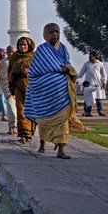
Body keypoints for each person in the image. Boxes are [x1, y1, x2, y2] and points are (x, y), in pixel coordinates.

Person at [24, 23, 85, 159]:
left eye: (56, 31)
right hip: (44, 93)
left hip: (61, 94)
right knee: (44, 120)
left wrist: (67, 69)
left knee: (62, 121)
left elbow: (67, 65)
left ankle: (61, 149)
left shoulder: (62, 49)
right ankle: (42, 143)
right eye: (51, 32)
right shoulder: (41, 50)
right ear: (46, 34)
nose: (54, 34)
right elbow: (34, 72)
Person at [9, 37, 36, 143]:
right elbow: (10, 72)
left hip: (32, 87)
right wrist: (20, 69)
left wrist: (30, 71)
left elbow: (40, 70)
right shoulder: (14, 57)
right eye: (21, 45)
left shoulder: (34, 57)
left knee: (31, 110)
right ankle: (22, 134)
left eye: (25, 45)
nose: (23, 47)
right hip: (18, 86)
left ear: (29, 46)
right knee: (20, 111)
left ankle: (29, 133)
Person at [78, 51, 108, 116]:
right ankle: (87, 112)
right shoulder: (86, 64)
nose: (89, 57)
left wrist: (104, 82)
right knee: (88, 99)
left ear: (95, 57)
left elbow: (104, 74)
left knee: (98, 98)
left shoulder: (100, 64)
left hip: (98, 85)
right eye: (89, 56)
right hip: (89, 85)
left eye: (91, 56)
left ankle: (100, 111)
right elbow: (81, 73)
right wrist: (74, 77)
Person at [0, 45, 18, 135]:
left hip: (18, 88)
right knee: (11, 107)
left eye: (12, 52)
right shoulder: (3, 62)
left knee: (17, 109)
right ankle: (12, 126)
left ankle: (14, 127)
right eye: (9, 52)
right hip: (8, 89)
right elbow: (2, 77)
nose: (11, 53)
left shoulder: (19, 61)